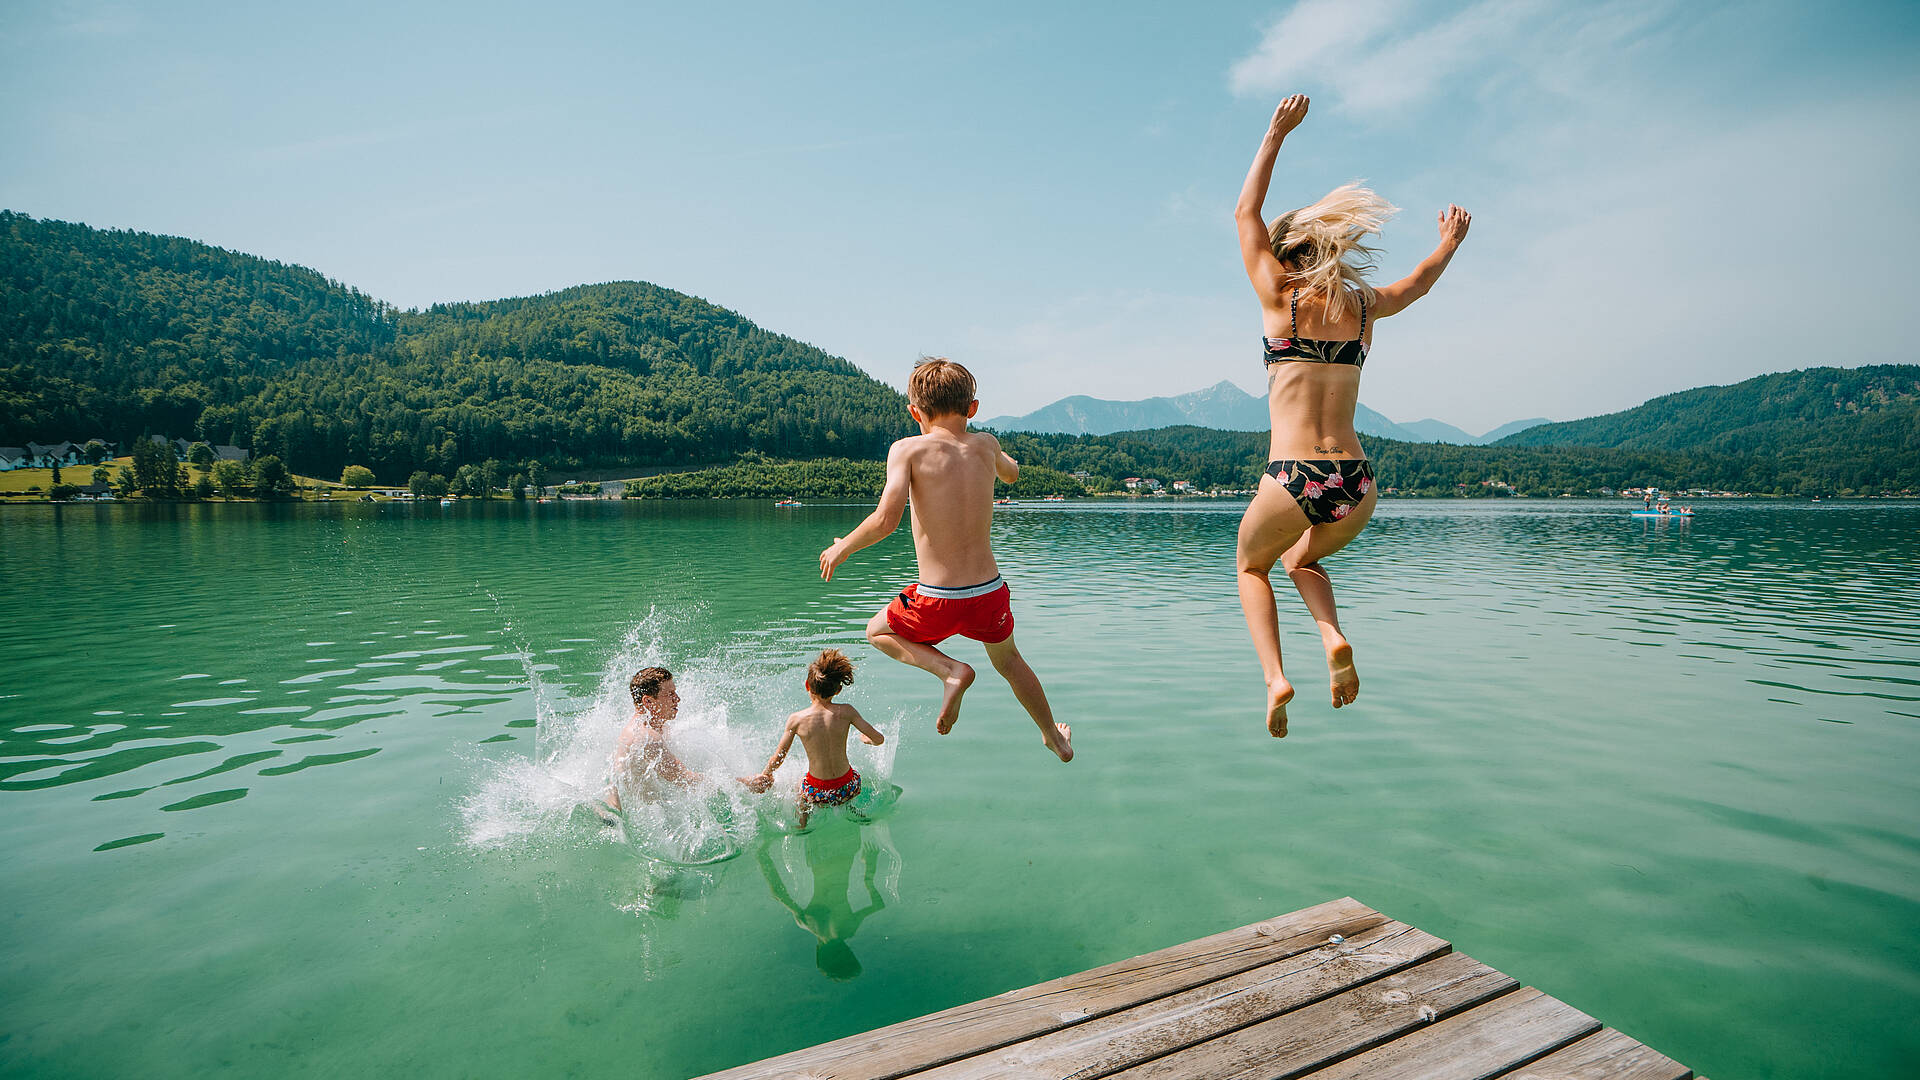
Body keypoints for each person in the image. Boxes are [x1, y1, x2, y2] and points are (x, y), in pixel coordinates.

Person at [1233, 93, 1471, 737]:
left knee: (1252, 566)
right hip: (1358, 482)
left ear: (1286, 254)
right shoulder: (1363, 307)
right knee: (1301, 561)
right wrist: (1447, 243)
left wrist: (1275, 135)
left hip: (1293, 476)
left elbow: (1244, 211)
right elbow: (1416, 284)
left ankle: (1276, 677)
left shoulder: (1278, 296)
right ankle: (1333, 636)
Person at [818, 358, 1073, 762]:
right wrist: (1004, 460)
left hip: (936, 596)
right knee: (1009, 661)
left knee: (877, 631)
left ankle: (949, 671)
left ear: (915, 412)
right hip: (989, 593)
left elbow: (885, 520)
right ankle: (1052, 737)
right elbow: (1011, 474)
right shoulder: (987, 444)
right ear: (972, 408)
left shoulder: (907, 450)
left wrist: (842, 547)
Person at [744, 649, 885, 827]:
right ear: (838, 690)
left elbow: (779, 756)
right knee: (847, 784)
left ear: (807, 686)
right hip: (849, 788)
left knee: (799, 788)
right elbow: (879, 739)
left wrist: (765, 775)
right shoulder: (847, 711)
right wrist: (866, 739)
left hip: (817, 793)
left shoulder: (796, 720)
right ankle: (854, 812)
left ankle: (802, 824)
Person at [600, 666, 708, 812]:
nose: (677, 699)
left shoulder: (654, 728)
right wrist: (743, 784)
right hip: (635, 817)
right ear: (648, 702)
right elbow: (687, 780)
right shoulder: (646, 737)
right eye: (670, 694)